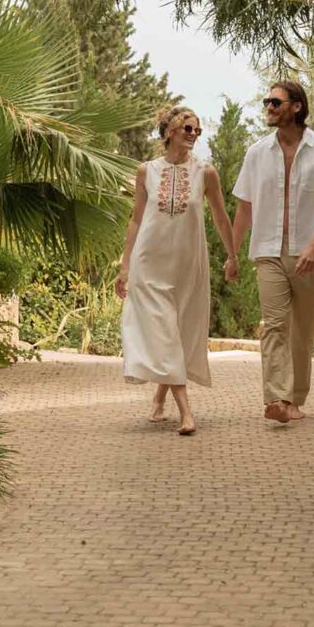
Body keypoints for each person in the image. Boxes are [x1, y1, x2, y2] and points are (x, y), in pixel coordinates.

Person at [228, 81, 314, 424]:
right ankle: (276, 398)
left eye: (275, 102)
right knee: (275, 326)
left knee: (302, 331)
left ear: (296, 107)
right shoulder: (256, 153)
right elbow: (244, 208)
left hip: (308, 254)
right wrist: (232, 254)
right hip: (267, 250)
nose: (268, 107)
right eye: (266, 102)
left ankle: (295, 398)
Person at [116, 106, 238, 435]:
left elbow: (221, 217)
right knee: (164, 331)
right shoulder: (146, 171)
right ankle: (186, 413)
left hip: (188, 265)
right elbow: (136, 220)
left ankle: (159, 397)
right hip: (149, 264)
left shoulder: (206, 173)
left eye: (197, 130)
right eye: (187, 128)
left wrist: (232, 256)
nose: (193, 134)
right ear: (170, 131)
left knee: (177, 334)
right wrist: (125, 265)